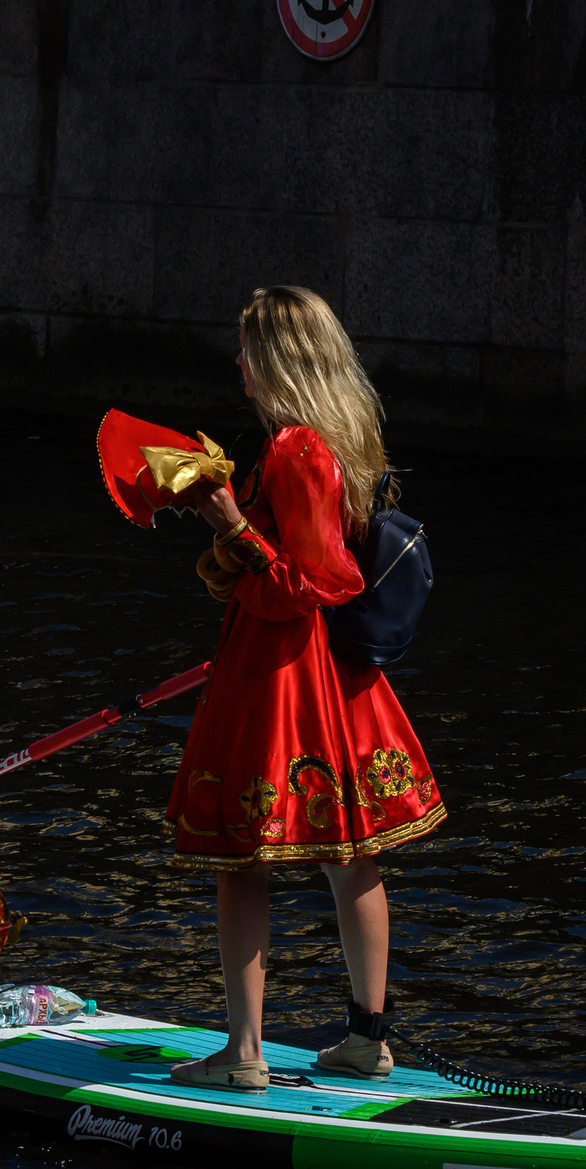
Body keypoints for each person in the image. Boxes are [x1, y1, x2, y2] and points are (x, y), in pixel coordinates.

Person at [165, 285, 446, 1090]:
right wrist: (225, 527)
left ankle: (245, 1050)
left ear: (280, 359)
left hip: (282, 676)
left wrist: (230, 523)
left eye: (248, 347)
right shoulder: (333, 443)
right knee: (353, 854)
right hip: (330, 678)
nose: (240, 363)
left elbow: (311, 582)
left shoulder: (293, 449)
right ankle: (366, 1036)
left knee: (241, 857)